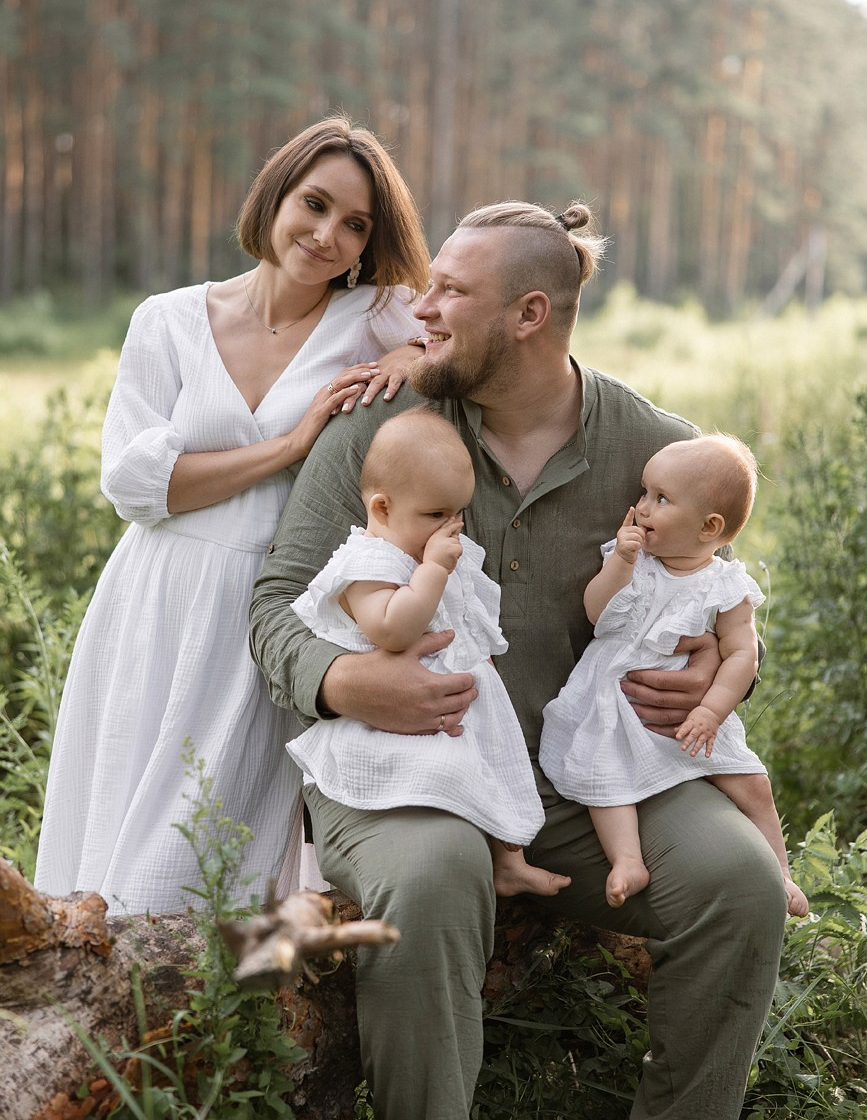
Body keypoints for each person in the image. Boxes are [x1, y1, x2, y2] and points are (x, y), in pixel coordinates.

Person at [249, 199, 787, 1120]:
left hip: (598, 775)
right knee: (429, 877)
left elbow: (720, 604)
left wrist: (720, 668)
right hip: (416, 772)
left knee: (740, 884)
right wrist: (343, 681)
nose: (420, 309)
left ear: (529, 314)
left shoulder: (658, 451)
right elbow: (275, 606)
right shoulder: (380, 430)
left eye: (450, 292)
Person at [34, 116, 431, 915]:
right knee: (123, 801)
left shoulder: (372, 316)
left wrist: (407, 355)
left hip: (272, 602)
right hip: (157, 591)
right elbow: (138, 487)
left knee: (219, 827)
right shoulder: (168, 319)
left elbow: (458, 343)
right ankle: (91, 962)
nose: (326, 235)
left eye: (355, 225)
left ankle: (214, 979)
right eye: (314, 204)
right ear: (274, 196)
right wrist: (290, 445)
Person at [286, 406, 570, 898]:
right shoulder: (368, 563)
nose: (450, 528)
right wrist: (434, 571)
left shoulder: (421, 550)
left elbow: (462, 617)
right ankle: (437, 847)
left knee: (495, 769)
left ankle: (509, 862)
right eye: (436, 515)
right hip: (395, 715)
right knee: (447, 777)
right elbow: (392, 629)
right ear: (382, 509)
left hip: (457, 702)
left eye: (458, 514)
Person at [539, 433, 809, 917]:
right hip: (616, 700)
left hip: (692, 718)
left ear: (709, 527)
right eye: (644, 493)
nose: (642, 507)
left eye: (660, 499)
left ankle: (781, 873)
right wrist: (620, 564)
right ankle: (628, 860)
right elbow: (597, 613)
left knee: (753, 783)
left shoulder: (725, 585)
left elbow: (741, 654)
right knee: (605, 773)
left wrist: (712, 710)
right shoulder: (634, 562)